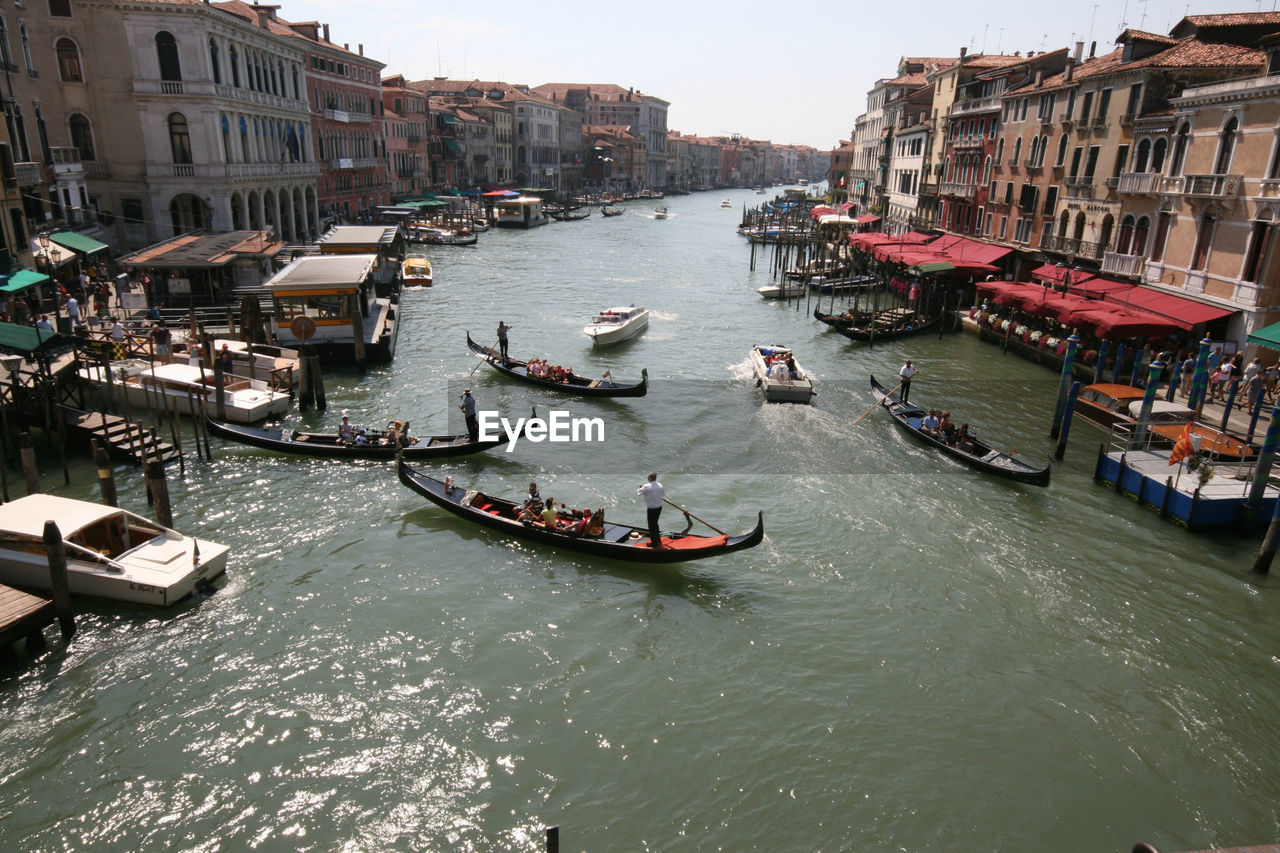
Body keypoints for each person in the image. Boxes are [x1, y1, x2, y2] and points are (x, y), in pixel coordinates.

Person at [637, 472, 665, 548]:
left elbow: (639, 493)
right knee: (655, 524)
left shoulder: (646, 486)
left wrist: (640, 487)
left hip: (652, 508)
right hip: (659, 507)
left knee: (652, 526)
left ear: (650, 478)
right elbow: (662, 495)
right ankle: (658, 540)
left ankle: (654, 543)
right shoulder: (660, 485)